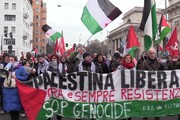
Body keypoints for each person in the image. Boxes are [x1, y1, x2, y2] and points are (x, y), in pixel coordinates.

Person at [141, 48, 165, 120]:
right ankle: (145, 116)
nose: (152, 55)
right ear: (148, 54)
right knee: (147, 101)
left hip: (157, 85)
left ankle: (157, 115)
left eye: (153, 53)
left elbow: (165, 72)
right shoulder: (144, 63)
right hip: (147, 86)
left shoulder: (159, 62)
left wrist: (163, 64)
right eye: (151, 53)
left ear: (155, 54)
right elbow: (142, 73)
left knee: (156, 101)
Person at [2, 55, 28, 120]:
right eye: (9, 60)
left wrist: (16, 77)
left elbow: (25, 77)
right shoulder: (7, 68)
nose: (10, 62)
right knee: (10, 108)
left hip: (16, 90)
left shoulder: (20, 68)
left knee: (15, 108)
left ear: (15, 60)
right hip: (8, 90)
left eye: (12, 60)